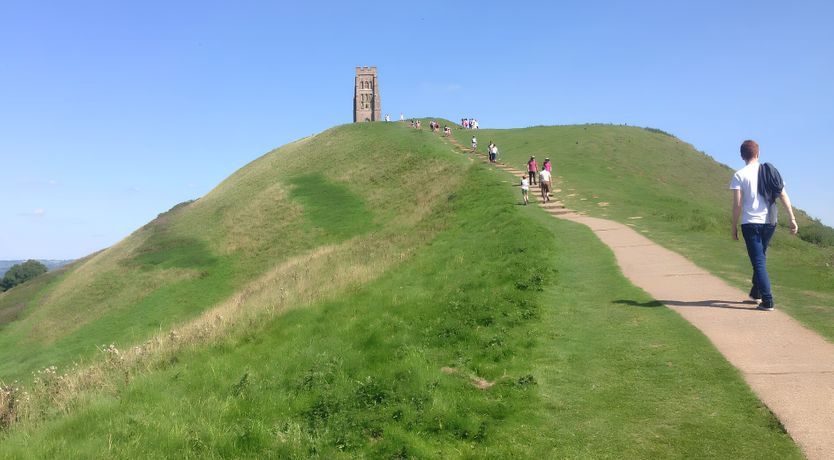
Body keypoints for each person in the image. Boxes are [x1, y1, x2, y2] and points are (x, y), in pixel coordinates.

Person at [730, 139, 798, 311]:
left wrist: (733, 227)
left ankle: (767, 301)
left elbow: (737, 204)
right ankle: (756, 293)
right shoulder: (769, 172)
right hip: (769, 223)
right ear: (758, 153)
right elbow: (783, 195)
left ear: (742, 156)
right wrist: (792, 218)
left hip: (750, 223)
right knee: (760, 257)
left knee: (758, 262)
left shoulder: (740, 175)